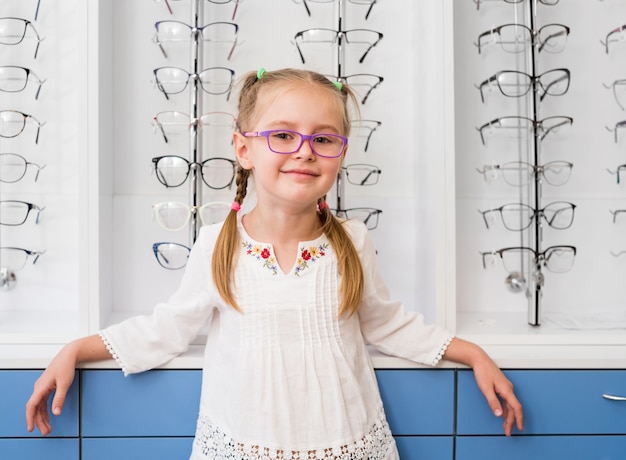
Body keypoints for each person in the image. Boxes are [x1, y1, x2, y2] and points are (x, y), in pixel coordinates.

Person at [26, 67, 523, 459]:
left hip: (345, 445)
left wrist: (473, 353)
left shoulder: (352, 240)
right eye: (283, 136)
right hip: (243, 446)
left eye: (324, 139)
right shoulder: (216, 244)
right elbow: (168, 329)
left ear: (339, 155)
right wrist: (77, 349)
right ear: (243, 149)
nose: (305, 152)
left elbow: (386, 323)